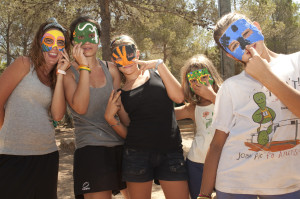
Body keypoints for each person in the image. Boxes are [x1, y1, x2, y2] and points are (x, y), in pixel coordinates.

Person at [198, 12, 300, 199]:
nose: (245, 44)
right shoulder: (230, 87)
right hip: (235, 185)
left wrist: (266, 76)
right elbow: (217, 145)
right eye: (235, 45)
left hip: (289, 185)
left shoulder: (297, 62)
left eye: (245, 34)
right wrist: (204, 195)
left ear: (257, 27)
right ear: (230, 55)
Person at [104, 34, 189, 199]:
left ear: (136, 53)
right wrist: (111, 120)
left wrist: (160, 64)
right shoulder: (120, 94)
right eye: (118, 56)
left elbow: (179, 98)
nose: (126, 61)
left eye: (128, 53)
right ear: (115, 61)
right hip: (137, 156)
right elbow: (129, 129)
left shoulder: (157, 73)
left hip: (170, 152)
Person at [0, 18, 70, 199]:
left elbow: (57, 115)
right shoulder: (24, 64)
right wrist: (5, 132)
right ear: (40, 42)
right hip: (12, 155)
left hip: (47, 155)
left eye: (60, 43)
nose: (55, 47)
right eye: (49, 41)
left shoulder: (57, 79)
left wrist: (61, 74)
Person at [64, 16, 127, 199]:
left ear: (98, 39)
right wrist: (84, 67)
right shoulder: (69, 74)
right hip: (92, 149)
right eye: (80, 36)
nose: (86, 41)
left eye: (91, 35)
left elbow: (120, 109)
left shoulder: (112, 69)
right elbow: (80, 108)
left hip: (121, 145)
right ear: (73, 41)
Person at [175, 54, 223, 199]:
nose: (199, 83)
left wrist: (213, 96)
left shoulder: (226, 97)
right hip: (196, 164)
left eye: (203, 77)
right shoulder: (192, 108)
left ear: (212, 75)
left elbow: (237, 115)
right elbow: (163, 115)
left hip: (224, 162)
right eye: (193, 80)